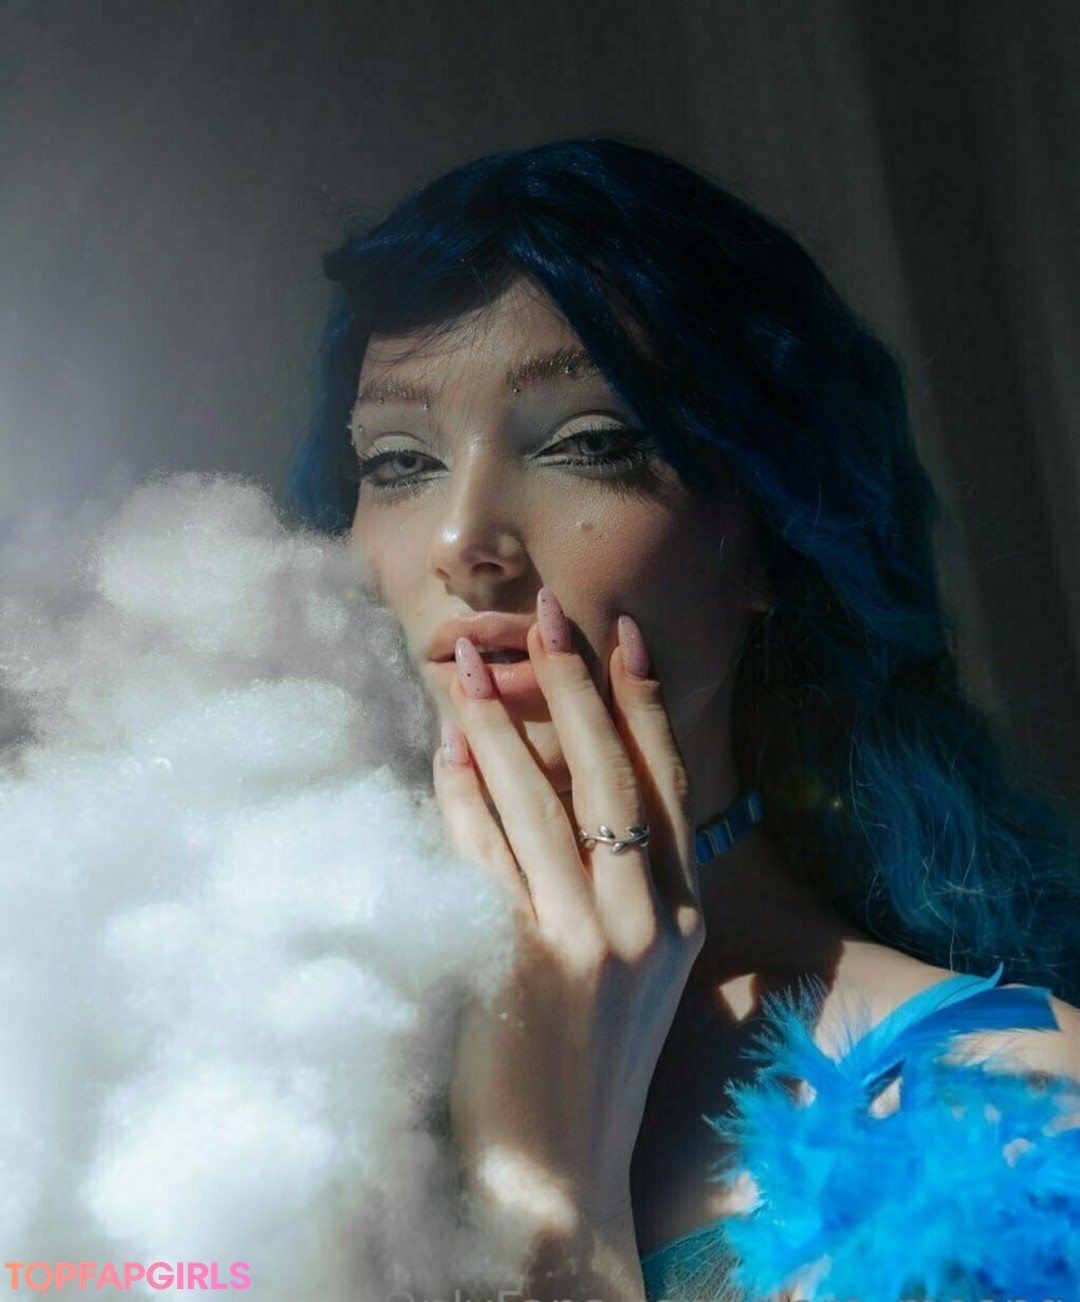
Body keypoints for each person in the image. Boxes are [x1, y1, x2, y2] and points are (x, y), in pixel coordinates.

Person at [291, 138, 1080, 1300]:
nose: (463, 541)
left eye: (589, 444)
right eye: (399, 462)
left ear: (767, 528)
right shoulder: (274, 1044)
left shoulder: (1011, 1109)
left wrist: (551, 1216)